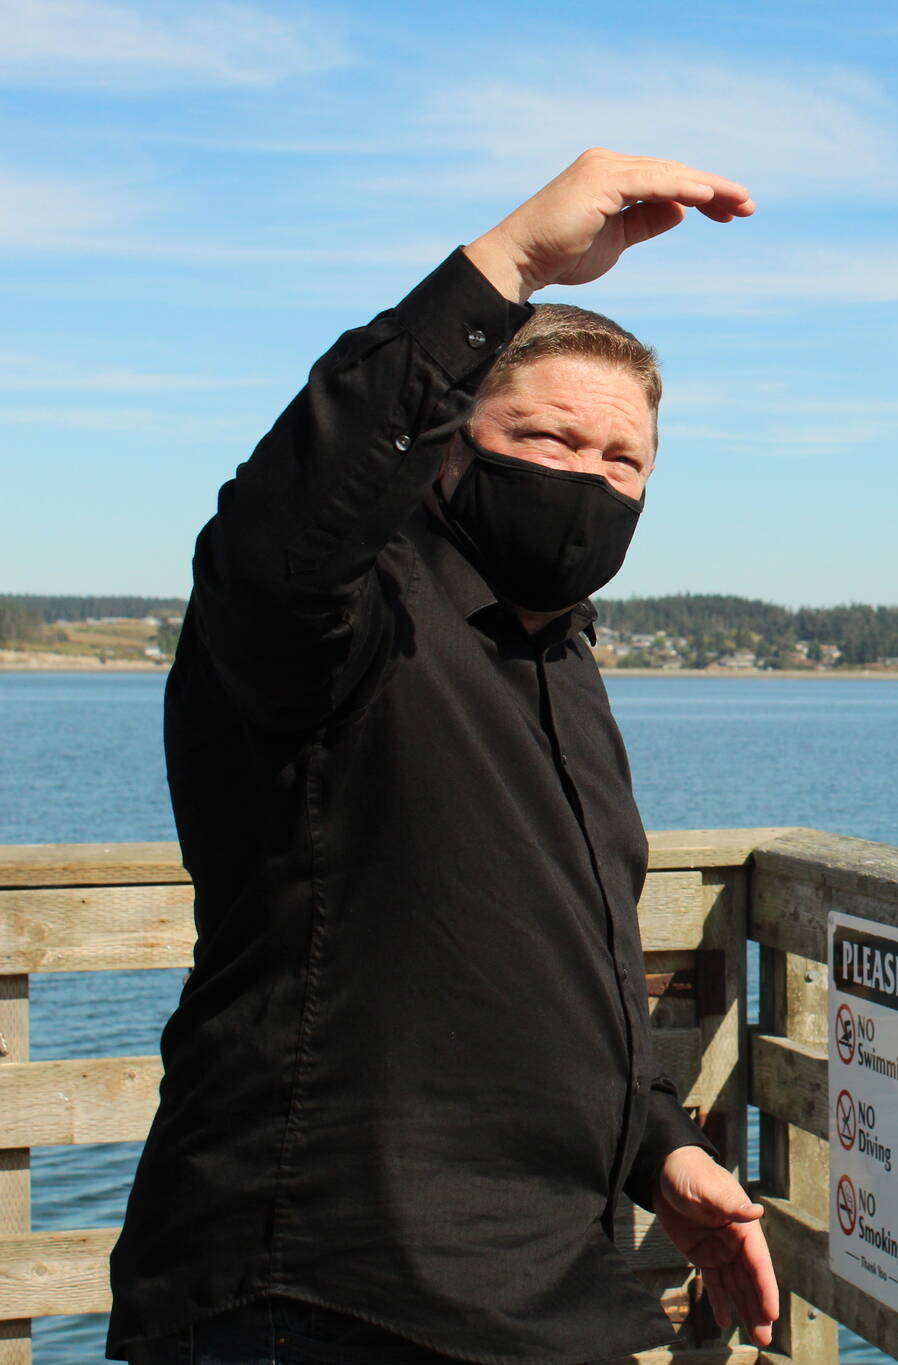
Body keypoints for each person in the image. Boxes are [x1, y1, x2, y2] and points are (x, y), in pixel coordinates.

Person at [110, 149, 779, 1363]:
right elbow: (283, 532)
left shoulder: (562, 666)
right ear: (447, 450)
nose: (585, 479)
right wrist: (506, 264)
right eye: (545, 437)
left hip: (541, 1286)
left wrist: (654, 1148)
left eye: (621, 461)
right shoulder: (342, 623)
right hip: (325, 1290)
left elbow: (517, 970)